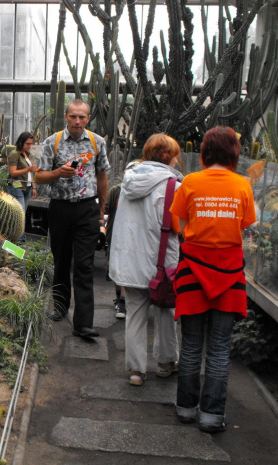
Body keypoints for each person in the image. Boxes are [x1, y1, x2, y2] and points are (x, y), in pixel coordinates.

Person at [170, 126, 256, 433]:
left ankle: (185, 408)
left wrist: (193, 234)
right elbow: (245, 225)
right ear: (234, 151)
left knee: (191, 346)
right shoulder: (242, 185)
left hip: (193, 269)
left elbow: (176, 220)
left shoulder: (190, 182)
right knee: (219, 349)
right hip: (231, 275)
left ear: (204, 151)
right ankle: (212, 416)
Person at [109, 134, 182, 386]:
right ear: (171, 156)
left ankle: (136, 371)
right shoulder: (174, 186)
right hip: (162, 263)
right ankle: (165, 363)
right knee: (166, 312)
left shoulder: (130, 180)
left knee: (135, 315)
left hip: (130, 260)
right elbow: (178, 228)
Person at [35, 99, 109, 339]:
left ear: (88, 119)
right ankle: (60, 307)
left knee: (85, 265)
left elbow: (102, 175)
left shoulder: (97, 143)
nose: (77, 121)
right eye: (73, 116)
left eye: (82, 117)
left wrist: (102, 207)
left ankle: (84, 323)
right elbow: (40, 178)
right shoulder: (52, 142)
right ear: (66, 117)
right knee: (62, 260)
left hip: (87, 208)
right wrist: (58, 172)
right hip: (61, 209)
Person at [105, 160, 141, 319]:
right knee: (116, 268)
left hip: (133, 238)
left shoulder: (143, 192)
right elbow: (105, 209)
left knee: (127, 269)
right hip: (115, 235)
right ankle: (119, 297)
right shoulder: (115, 191)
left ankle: (123, 303)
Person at [7, 132, 37, 242]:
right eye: (27, 143)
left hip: (27, 187)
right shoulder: (14, 154)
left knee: (23, 213)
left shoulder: (26, 154)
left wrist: (33, 186)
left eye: (31, 144)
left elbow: (30, 174)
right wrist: (28, 169)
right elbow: (13, 172)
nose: (30, 146)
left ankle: (20, 238)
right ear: (21, 142)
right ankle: (18, 239)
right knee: (19, 214)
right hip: (16, 186)